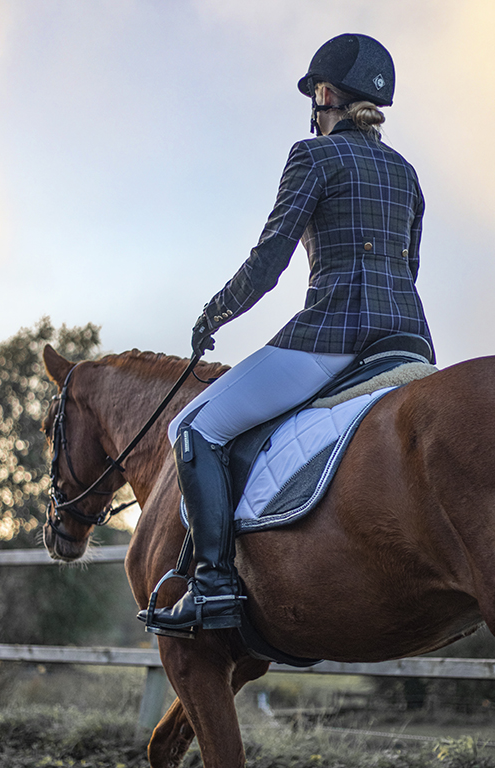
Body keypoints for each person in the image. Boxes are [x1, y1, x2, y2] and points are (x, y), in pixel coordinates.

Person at [145, 33, 435, 635]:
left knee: (194, 426)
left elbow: (270, 262)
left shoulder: (313, 155)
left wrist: (214, 314)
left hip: (333, 340)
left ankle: (214, 587)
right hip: (410, 344)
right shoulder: (407, 175)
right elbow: (408, 269)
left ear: (324, 93)